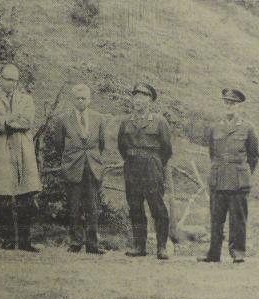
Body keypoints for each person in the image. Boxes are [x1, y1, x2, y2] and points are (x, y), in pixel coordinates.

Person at [0, 64, 42, 252]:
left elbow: (28, 121)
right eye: (8, 79)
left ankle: (25, 240)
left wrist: (7, 121)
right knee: (3, 196)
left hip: (23, 150)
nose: (11, 83)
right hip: (0, 151)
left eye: (15, 80)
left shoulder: (26, 99)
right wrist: (11, 120)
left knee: (26, 195)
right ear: (0, 79)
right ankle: (8, 239)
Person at [198, 89, 259, 263]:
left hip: (238, 180)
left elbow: (253, 156)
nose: (229, 106)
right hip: (218, 178)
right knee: (216, 218)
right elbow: (212, 153)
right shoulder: (215, 127)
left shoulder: (248, 128)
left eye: (233, 103)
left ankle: (238, 252)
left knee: (238, 218)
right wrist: (220, 168)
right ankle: (213, 253)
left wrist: (243, 173)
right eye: (227, 103)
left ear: (239, 106)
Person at [117, 83, 172, 259]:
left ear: (150, 101)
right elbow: (121, 147)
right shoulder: (126, 121)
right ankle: (139, 246)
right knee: (135, 207)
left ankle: (161, 247)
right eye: (135, 97)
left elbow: (166, 149)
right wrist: (132, 158)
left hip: (152, 167)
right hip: (132, 167)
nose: (138, 101)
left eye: (142, 97)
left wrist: (155, 163)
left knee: (157, 207)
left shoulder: (159, 121)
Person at [53, 84, 106, 255]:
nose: (81, 101)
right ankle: (75, 242)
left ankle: (92, 244)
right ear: (73, 100)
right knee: (74, 206)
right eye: (78, 98)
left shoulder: (98, 118)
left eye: (84, 98)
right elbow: (58, 144)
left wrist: (92, 158)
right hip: (72, 166)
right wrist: (72, 158)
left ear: (89, 99)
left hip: (92, 167)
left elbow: (102, 144)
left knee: (93, 207)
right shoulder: (63, 119)